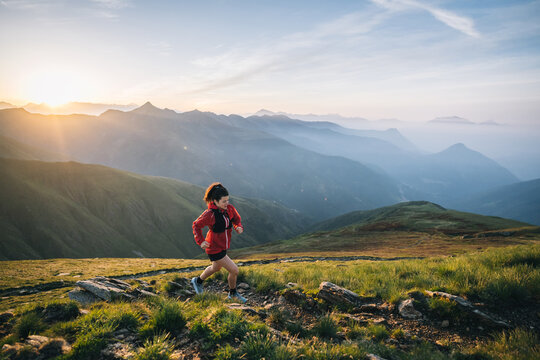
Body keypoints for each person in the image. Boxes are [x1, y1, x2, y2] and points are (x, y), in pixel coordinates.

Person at [191, 182, 247, 303]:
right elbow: (196, 225)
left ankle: (197, 281)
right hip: (214, 248)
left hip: (223, 246)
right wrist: (201, 241)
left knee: (215, 268)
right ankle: (233, 294)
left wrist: (238, 226)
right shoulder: (209, 214)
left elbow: (236, 219)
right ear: (215, 201)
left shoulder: (229, 209)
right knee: (234, 270)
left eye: (228, 200)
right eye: (224, 201)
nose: (227, 203)